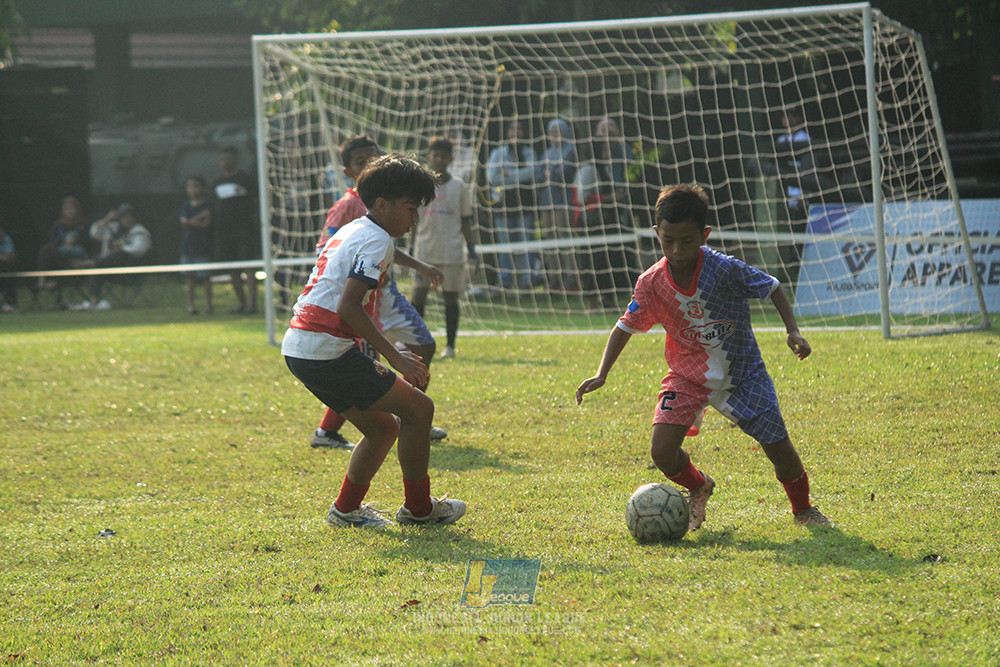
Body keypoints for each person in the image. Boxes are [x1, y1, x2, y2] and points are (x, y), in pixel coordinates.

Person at [576, 183, 832, 529]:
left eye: (687, 241)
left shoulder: (724, 269)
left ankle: (803, 509)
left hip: (742, 375)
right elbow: (625, 325)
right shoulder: (651, 283)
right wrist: (602, 372)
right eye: (668, 241)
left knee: (778, 448)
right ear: (656, 233)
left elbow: (772, 286)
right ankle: (699, 486)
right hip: (687, 376)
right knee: (662, 451)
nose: (677, 250)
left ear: (705, 235)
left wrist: (792, 330)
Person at [282, 154, 467, 529]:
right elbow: (348, 306)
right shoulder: (376, 240)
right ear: (382, 205)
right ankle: (418, 509)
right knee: (419, 410)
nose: (415, 220)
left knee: (383, 428)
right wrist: (394, 358)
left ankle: (345, 510)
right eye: (411, 209)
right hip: (324, 348)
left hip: (300, 348)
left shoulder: (355, 229)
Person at [310, 135, 448, 449]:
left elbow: (384, 248)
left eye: (374, 158)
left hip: (385, 294)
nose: (369, 165)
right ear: (347, 171)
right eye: (361, 162)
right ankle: (328, 431)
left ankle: (411, 416)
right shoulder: (347, 207)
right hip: (358, 299)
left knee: (424, 345)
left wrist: (420, 266)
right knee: (361, 369)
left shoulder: (393, 196)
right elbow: (329, 249)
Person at [410, 136, 476, 359]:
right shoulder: (419, 184)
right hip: (424, 251)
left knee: (450, 298)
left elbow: (466, 219)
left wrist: (471, 246)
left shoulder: (459, 186)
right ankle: (417, 341)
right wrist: (410, 247)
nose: (438, 159)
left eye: (443, 155)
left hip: (451, 251)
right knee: (418, 297)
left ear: (450, 158)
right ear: (428, 157)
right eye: (434, 155)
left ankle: (450, 346)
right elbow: (414, 219)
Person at [573, 139, 641, 313]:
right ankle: (591, 303)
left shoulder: (606, 169)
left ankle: (607, 299)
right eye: (604, 150)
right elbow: (583, 198)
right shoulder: (589, 170)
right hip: (592, 227)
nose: (607, 153)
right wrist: (611, 198)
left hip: (609, 226)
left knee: (609, 260)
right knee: (592, 262)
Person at [486, 119, 538, 290]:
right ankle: (505, 280)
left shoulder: (530, 152)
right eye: (512, 130)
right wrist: (517, 175)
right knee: (505, 245)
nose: (516, 133)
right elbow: (492, 177)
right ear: (507, 133)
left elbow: (532, 172)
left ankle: (528, 280)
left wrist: (507, 173)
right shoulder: (497, 153)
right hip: (503, 206)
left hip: (525, 204)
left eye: (519, 129)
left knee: (526, 243)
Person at [76, 203, 152, 310]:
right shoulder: (112, 228)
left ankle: (94, 299)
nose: (128, 219)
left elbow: (140, 249)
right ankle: (94, 300)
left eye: (130, 216)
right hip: (108, 268)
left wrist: (121, 246)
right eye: (125, 216)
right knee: (98, 268)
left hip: (129, 269)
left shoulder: (139, 231)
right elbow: (94, 233)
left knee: (114, 257)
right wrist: (107, 219)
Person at [213, 145, 259, 314]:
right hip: (225, 230)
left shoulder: (246, 180)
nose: (225, 162)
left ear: (235, 159)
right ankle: (241, 303)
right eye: (222, 159)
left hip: (245, 228)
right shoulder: (217, 183)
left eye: (228, 158)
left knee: (248, 266)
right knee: (232, 267)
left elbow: (255, 201)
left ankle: (252, 305)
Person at [37, 195, 90, 305]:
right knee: (47, 250)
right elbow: (52, 241)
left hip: (76, 256)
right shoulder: (58, 225)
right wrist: (64, 243)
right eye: (67, 209)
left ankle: (47, 280)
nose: (70, 212)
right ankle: (46, 279)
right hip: (59, 255)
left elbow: (87, 243)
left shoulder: (82, 225)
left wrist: (73, 242)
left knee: (55, 256)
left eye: (72, 209)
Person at [179, 176, 215, 315]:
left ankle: (209, 306)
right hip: (188, 247)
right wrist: (198, 218)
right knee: (189, 278)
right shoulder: (185, 206)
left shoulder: (208, 205)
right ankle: (191, 306)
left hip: (203, 246)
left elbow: (206, 223)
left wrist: (192, 221)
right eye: (190, 186)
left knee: (205, 278)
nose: (193, 190)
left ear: (203, 188)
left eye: (196, 186)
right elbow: (184, 222)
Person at [0, 227, 17, 312]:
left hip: (7, 269)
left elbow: (9, 257)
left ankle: (10, 304)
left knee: (8, 273)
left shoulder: (6, 240)